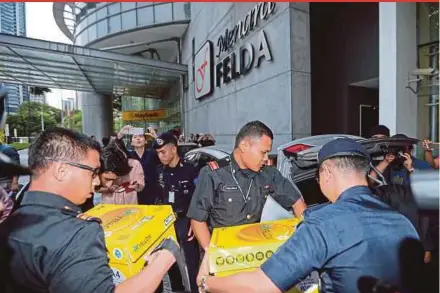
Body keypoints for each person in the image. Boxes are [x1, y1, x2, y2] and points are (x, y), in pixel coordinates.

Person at [196, 138, 419, 293]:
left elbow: (262, 285)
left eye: (318, 177)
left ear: (327, 173)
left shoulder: (323, 224)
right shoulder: (402, 222)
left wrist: (206, 282)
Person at [1, 127, 176, 293]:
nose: (96, 182)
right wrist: (165, 257)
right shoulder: (78, 234)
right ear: (61, 170)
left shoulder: (11, 220)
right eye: (92, 172)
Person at [187, 121, 307, 253]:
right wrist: (211, 255)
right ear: (244, 145)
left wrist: (304, 238)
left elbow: (296, 201)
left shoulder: (268, 173)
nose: (266, 158)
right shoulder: (213, 174)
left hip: (256, 253)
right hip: (224, 254)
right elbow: (198, 220)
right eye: (263, 152)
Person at [153, 132, 200, 293]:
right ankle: (177, 290)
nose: (160, 156)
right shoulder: (160, 172)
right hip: (167, 222)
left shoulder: (190, 170)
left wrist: (195, 221)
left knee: (191, 262)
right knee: (170, 261)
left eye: (163, 151)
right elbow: (158, 198)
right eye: (158, 153)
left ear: (174, 149)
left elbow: (199, 199)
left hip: (186, 220)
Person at [118, 125, 160, 204]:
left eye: (140, 136)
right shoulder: (128, 155)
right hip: (133, 192)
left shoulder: (152, 153)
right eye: (135, 137)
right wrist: (121, 133)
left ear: (146, 141)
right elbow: (116, 147)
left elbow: (161, 147)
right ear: (131, 143)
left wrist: (155, 136)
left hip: (151, 192)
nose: (138, 138)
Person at [100, 140, 144, 205]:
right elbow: (96, 187)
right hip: (109, 204)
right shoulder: (104, 163)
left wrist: (136, 186)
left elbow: (140, 185)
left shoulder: (135, 164)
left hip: (129, 203)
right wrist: (108, 189)